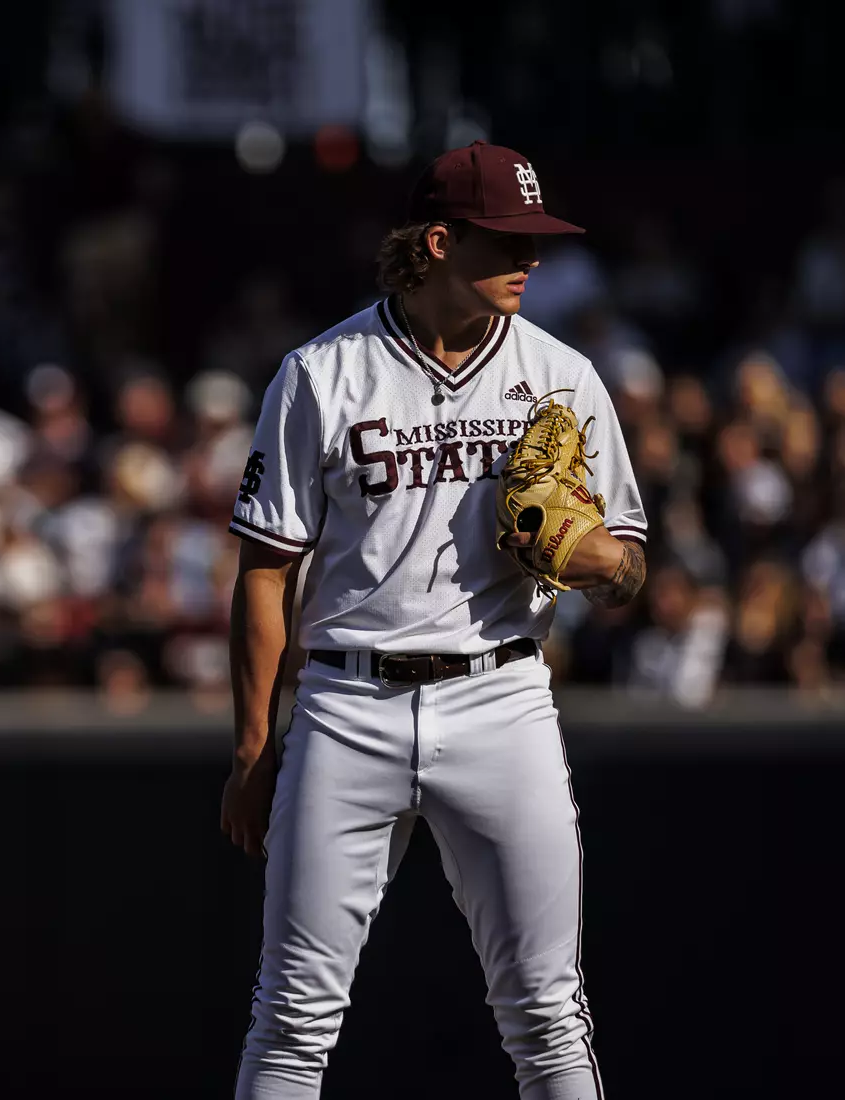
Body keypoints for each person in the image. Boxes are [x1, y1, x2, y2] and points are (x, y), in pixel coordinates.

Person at [222, 141, 648, 1099]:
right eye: (508, 238)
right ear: (439, 241)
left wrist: (600, 563)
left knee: (545, 1009)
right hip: (347, 699)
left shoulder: (562, 373)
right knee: (292, 1012)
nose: (529, 258)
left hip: (502, 694)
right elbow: (262, 573)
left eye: (536, 239)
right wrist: (253, 749)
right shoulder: (322, 373)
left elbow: (630, 561)